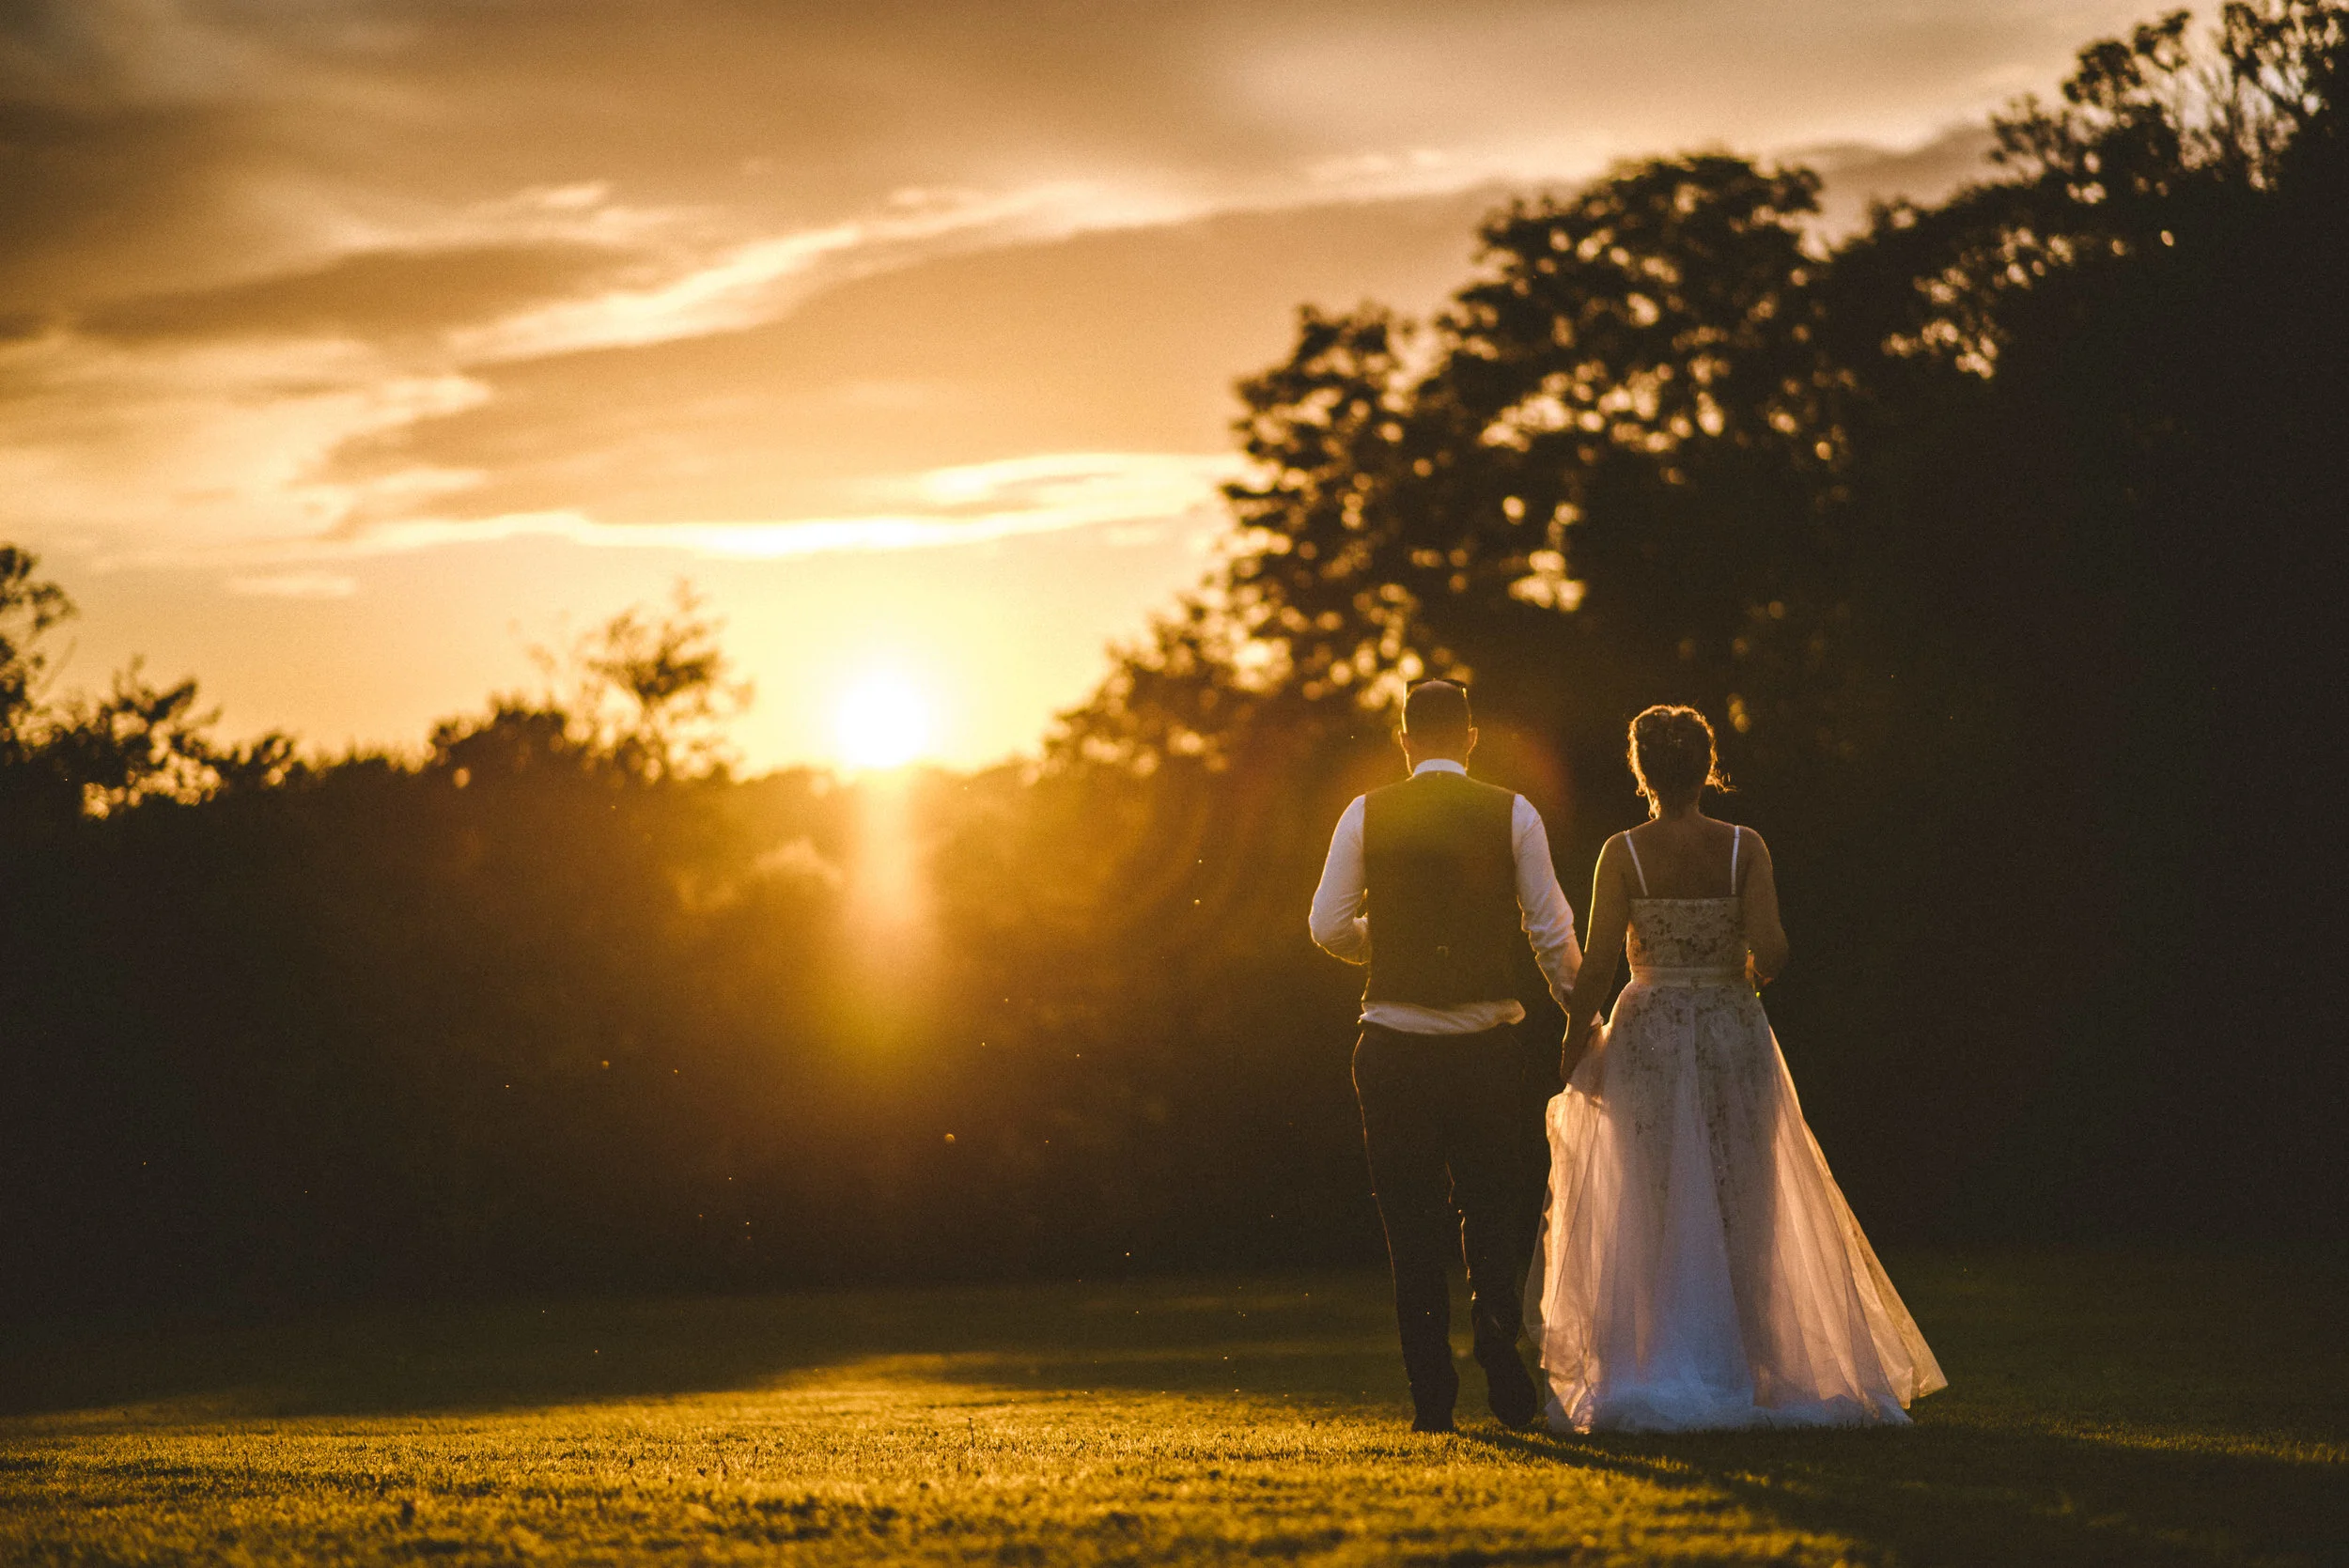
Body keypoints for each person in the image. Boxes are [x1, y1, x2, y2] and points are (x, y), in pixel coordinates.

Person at [1532, 705, 1946, 1431]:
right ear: (1707, 765)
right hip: (1731, 1029)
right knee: (1746, 1195)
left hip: (1651, 1034)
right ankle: (1751, 1363)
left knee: (1654, 1197)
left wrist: (1575, 1033)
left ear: (1643, 770)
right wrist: (1743, 966)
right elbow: (1775, 949)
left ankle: (1666, 1357)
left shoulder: (1622, 852)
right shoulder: (1743, 846)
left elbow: (1597, 963)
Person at [1310, 679, 1582, 1433]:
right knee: (1495, 1213)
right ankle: (1501, 1360)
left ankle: (1432, 1396)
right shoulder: (1513, 811)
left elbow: (1328, 924)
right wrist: (1581, 1017)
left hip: (1394, 1050)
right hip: (1489, 1051)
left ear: (1403, 741)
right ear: (1468, 738)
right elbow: (1552, 932)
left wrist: (1385, 944)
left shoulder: (1364, 812)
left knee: (1411, 1223)